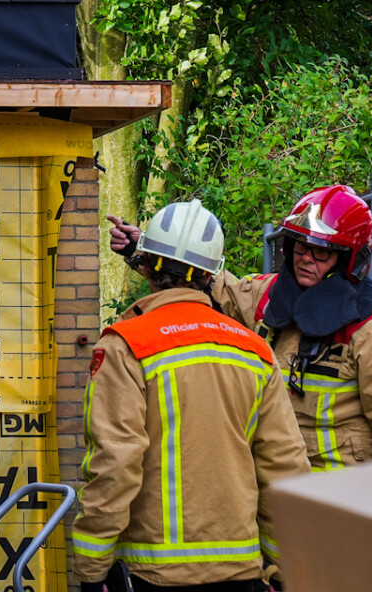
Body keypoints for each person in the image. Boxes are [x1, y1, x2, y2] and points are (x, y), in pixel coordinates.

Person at [73, 199, 308, 592]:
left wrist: (91, 570)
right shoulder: (254, 351)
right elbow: (283, 466)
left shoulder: (127, 346)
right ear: (211, 275)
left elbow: (115, 464)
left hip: (155, 575)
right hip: (241, 574)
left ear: (145, 264)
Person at [108, 184, 372, 473]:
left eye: (320, 251)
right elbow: (214, 286)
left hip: (341, 494)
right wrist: (149, 251)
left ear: (348, 258)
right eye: (299, 246)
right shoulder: (270, 296)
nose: (306, 258)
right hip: (275, 478)